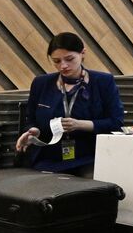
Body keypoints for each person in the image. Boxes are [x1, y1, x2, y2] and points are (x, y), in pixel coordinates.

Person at [16, 32, 124, 174]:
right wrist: (33, 132)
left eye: (69, 59)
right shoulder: (41, 83)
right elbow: (31, 121)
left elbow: (116, 122)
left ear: (82, 53)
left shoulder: (103, 82)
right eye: (56, 61)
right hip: (48, 158)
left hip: (89, 157)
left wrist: (80, 125)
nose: (63, 66)